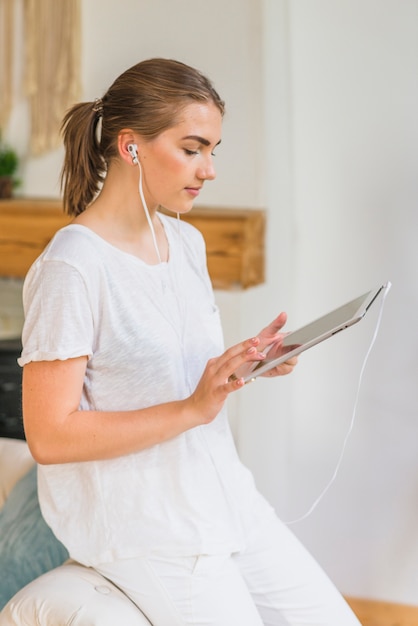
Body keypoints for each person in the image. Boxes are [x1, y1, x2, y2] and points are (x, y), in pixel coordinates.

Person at [19, 58, 361, 626]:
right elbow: (49, 436)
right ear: (130, 147)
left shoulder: (186, 242)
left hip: (225, 499)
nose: (209, 169)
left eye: (214, 150)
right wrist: (191, 408)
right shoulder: (72, 266)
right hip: (149, 529)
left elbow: (165, 372)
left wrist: (241, 366)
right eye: (193, 148)